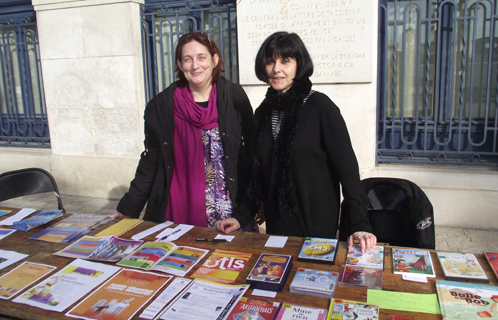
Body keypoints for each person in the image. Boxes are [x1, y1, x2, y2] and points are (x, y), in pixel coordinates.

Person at [215, 31, 376, 251]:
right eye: (270, 61)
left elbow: (348, 173)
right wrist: (241, 216)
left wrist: (360, 224)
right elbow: (257, 175)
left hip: (316, 224)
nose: (276, 69)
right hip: (278, 224)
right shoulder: (262, 113)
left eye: (285, 61)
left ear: (299, 65)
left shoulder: (320, 107)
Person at [110, 31, 258, 232]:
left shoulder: (234, 97)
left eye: (201, 57)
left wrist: (256, 203)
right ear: (179, 65)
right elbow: (151, 161)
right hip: (180, 209)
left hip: (230, 213)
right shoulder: (161, 106)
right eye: (187, 59)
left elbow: (251, 152)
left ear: (214, 60)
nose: (195, 66)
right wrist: (129, 207)